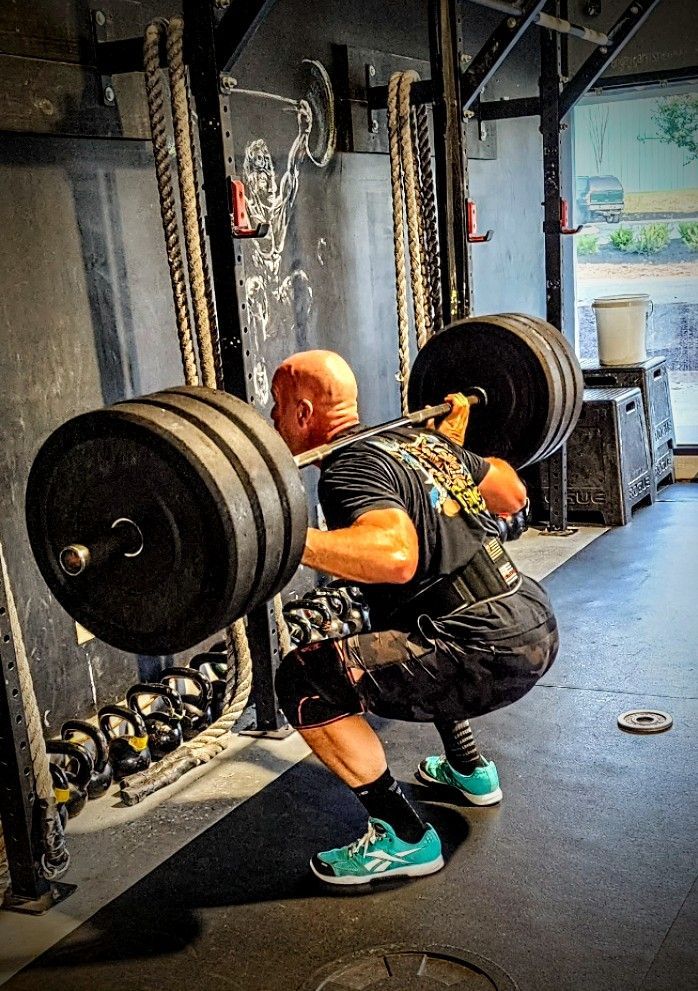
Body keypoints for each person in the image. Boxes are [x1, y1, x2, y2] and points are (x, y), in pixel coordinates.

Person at [271, 350, 559, 886]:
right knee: (405, 635)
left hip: (483, 650)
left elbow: (395, 558)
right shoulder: (421, 444)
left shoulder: (348, 469)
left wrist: (283, 541)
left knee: (303, 679)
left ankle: (402, 836)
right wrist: (453, 452)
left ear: (305, 412)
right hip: (533, 621)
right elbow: (511, 493)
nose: (272, 419)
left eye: (277, 406)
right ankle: (469, 770)